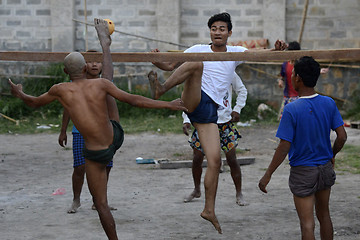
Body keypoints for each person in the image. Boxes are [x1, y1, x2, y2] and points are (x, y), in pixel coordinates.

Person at [8, 19, 187, 240]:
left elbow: (33, 102)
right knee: (108, 83)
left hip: (97, 151)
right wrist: (168, 104)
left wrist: (19, 93)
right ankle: (105, 45)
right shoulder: (100, 84)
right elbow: (134, 100)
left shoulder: (59, 90)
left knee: (100, 204)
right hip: (115, 136)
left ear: (65, 71)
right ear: (85, 68)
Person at [148, 12, 286, 233]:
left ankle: (209, 209)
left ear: (229, 33)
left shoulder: (235, 52)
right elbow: (170, 64)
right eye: (214, 28)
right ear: (210, 32)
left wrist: (277, 50)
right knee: (197, 64)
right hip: (195, 100)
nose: (217, 32)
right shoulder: (197, 50)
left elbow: (260, 55)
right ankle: (161, 89)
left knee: (214, 161)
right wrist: (157, 61)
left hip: (210, 113)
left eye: (222, 29)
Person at [258, 56, 347, 240]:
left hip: (303, 172)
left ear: (297, 78)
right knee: (324, 216)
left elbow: (284, 146)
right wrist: (332, 154)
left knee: (307, 224)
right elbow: (342, 136)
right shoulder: (329, 103)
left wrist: (268, 174)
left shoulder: (291, 109)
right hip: (324, 169)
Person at [58, 47, 118, 214]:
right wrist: (63, 130)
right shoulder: (74, 85)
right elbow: (67, 109)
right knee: (79, 167)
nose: (94, 64)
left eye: (98, 61)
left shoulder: (105, 84)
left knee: (106, 167)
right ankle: (76, 199)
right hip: (80, 132)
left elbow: (115, 106)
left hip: (103, 134)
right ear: (84, 66)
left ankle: (99, 201)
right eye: (90, 61)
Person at [182, 73, 248, 206]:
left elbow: (242, 90)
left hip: (224, 123)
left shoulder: (228, 71)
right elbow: (188, 98)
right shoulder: (200, 74)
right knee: (197, 158)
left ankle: (239, 192)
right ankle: (196, 189)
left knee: (232, 159)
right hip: (204, 122)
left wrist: (237, 109)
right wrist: (187, 119)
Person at [277, 41, 329, 120]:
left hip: (299, 97)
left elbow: (309, 71)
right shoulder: (285, 65)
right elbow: (282, 76)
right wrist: (280, 81)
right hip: (288, 96)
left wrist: (319, 71)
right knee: (287, 119)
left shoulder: (301, 65)